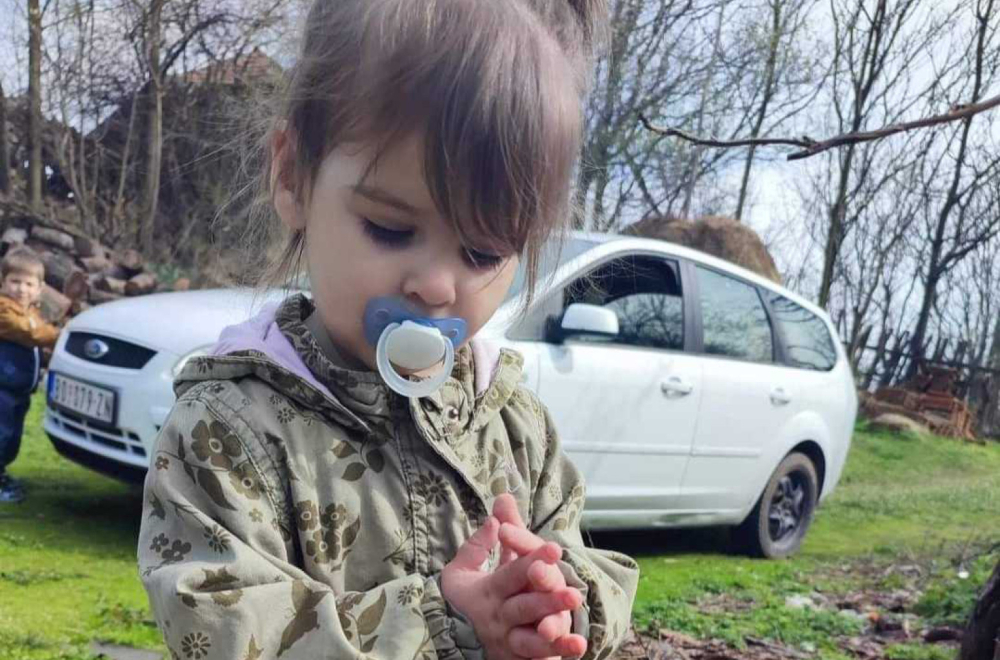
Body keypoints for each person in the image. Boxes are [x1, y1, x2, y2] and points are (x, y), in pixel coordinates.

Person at [137, 1, 639, 659]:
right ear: (293, 176)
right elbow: (223, 626)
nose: (437, 285)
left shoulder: (513, 426)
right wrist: (442, 623)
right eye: (391, 229)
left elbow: (583, 557)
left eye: (484, 253)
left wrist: (552, 603)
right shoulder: (229, 427)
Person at [0, 246, 61, 504]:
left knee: (12, 435)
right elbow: (29, 332)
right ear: (3, 282)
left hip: (19, 389)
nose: (21, 289)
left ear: (39, 288)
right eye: (15, 282)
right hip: (2, 387)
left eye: (28, 284)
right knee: (1, 433)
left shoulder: (30, 313)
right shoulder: (4, 311)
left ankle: (1, 473)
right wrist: (59, 335)